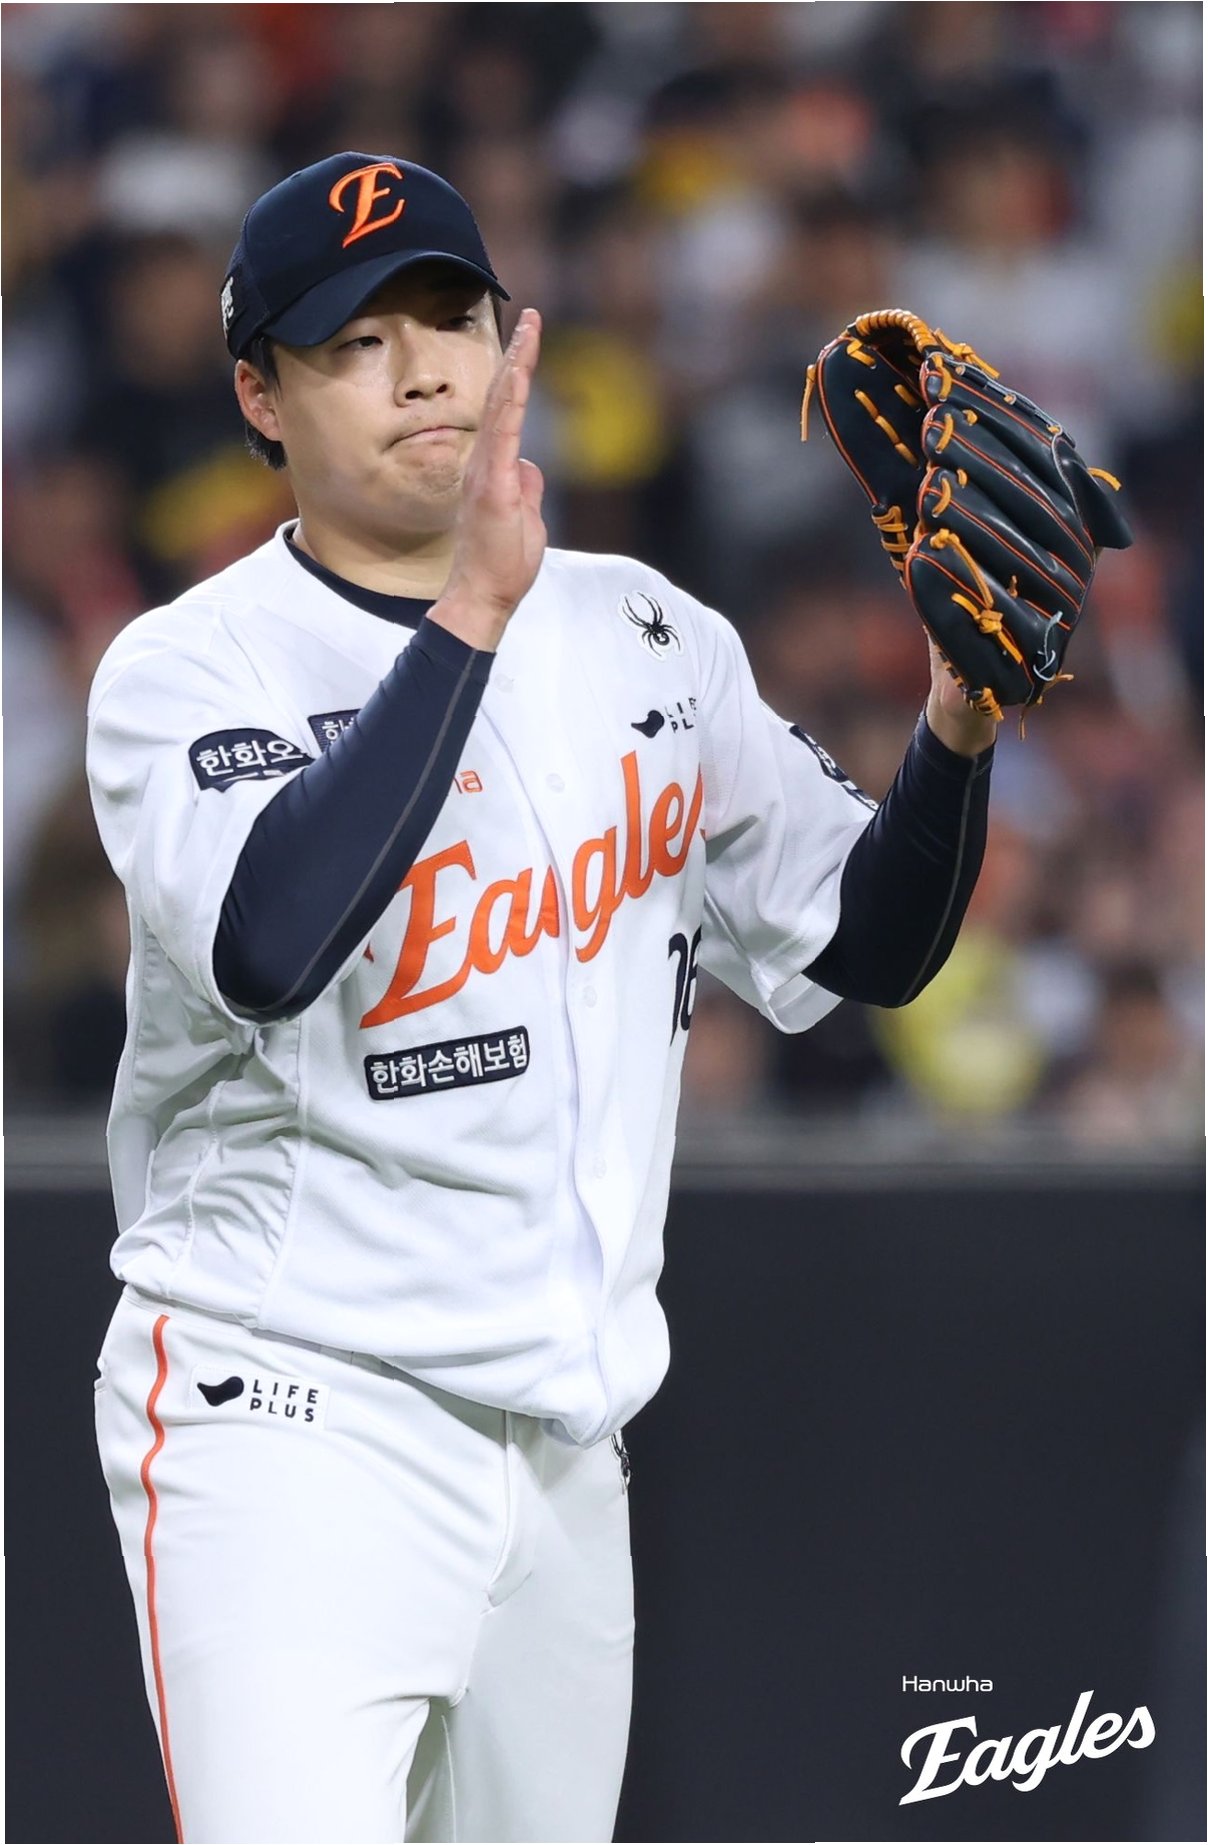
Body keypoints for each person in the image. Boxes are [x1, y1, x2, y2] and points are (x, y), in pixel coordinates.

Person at [86, 151, 997, 1845]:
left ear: (515, 343)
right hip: (289, 1418)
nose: (421, 370)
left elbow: (865, 943)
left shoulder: (648, 632)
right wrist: (473, 610)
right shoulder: (192, 666)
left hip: (569, 1449)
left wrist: (956, 727)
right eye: (356, 342)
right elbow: (272, 941)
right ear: (260, 396)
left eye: (451, 319)